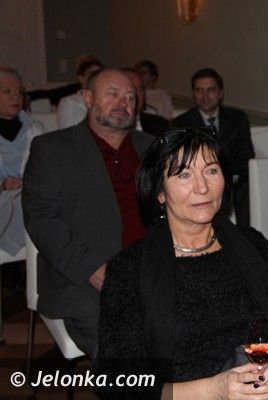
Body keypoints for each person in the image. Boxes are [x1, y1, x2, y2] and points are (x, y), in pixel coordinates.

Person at [97, 126, 268, 399]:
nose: (202, 187)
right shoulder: (129, 269)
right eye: (184, 175)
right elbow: (119, 382)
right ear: (160, 192)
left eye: (211, 171)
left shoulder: (252, 244)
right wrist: (217, 389)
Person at [22, 68, 154, 357]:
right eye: (112, 94)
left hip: (150, 269)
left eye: (130, 97)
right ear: (88, 98)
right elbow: (41, 219)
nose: (123, 103)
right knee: (126, 348)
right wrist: (92, 269)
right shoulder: (53, 149)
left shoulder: (152, 147)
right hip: (84, 276)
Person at [173, 68, 254, 226]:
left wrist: (223, 178)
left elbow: (246, 156)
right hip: (198, 182)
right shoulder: (181, 123)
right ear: (193, 94)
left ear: (220, 93)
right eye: (199, 91)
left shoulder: (238, 118)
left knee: (246, 186)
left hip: (233, 181)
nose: (205, 96)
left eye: (210, 90)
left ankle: (243, 233)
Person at [0, 67, 45, 255]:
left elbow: (49, 170)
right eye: (7, 91)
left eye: (19, 92)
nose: (15, 97)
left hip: (32, 200)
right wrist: (2, 185)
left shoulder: (35, 129)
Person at [56, 59, 104, 129]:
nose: (96, 76)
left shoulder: (107, 101)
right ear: (81, 78)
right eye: (91, 73)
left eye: (99, 73)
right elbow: (66, 131)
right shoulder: (68, 102)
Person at [121, 68, 169, 136]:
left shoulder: (160, 125)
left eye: (140, 89)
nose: (136, 95)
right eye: (130, 89)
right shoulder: (108, 127)